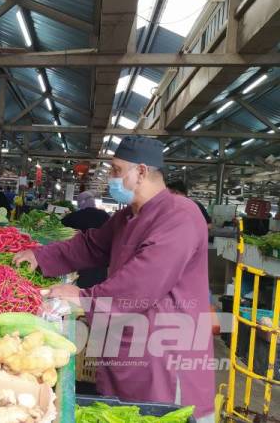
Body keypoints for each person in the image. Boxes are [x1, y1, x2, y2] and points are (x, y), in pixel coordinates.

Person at [14, 136, 214, 422]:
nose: (110, 178)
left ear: (142, 171)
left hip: (165, 356)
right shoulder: (127, 217)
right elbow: (90, 245)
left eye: (116, 170)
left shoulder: (180, 215)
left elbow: (143, 281)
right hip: (126, 344)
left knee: (160, 414)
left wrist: (83, 298)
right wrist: (41, 257)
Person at [61, 191, 110, 289]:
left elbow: (62, 223)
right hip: (102, 260)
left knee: (83, 286)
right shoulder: (105, 215)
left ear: (81, 203)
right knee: (98, 287)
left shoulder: (76, 216)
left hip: (82, 258)